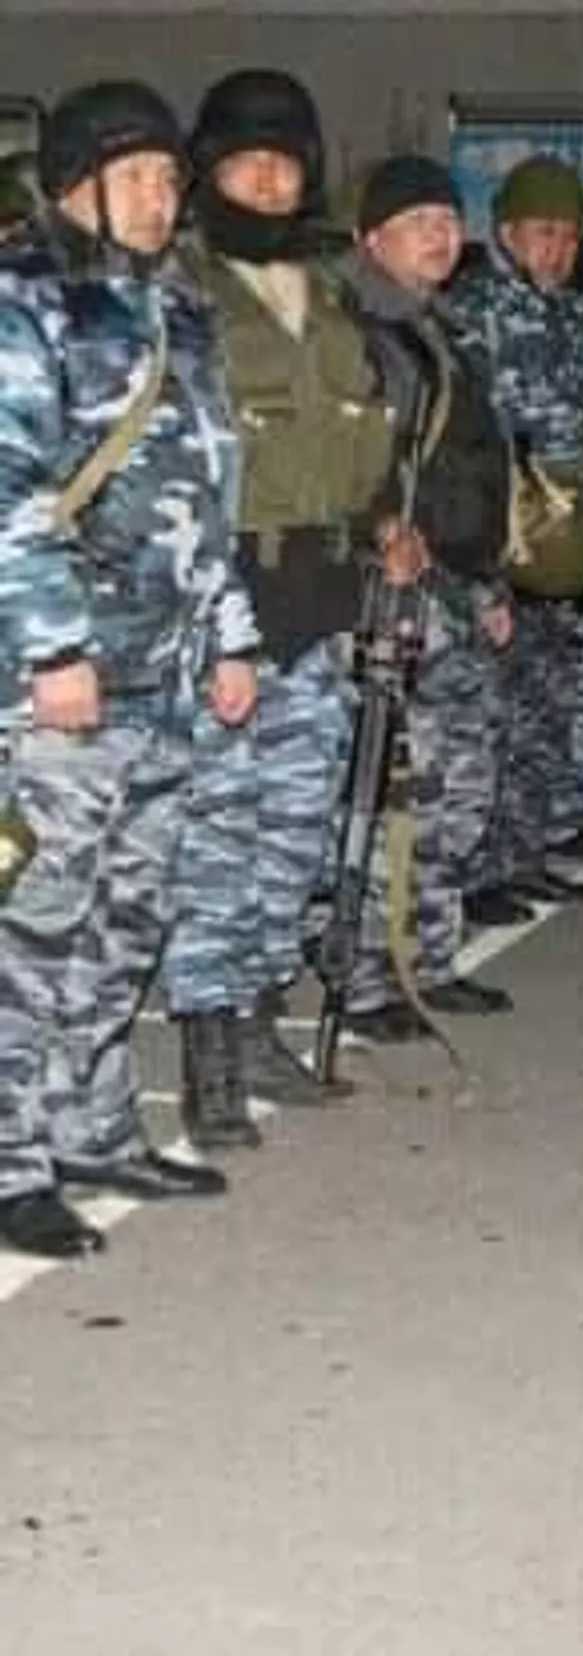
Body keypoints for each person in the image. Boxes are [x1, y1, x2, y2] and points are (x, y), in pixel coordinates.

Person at [0, 82, 255, 1252]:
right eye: (140, 175)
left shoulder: (176, 307)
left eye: (170, 177)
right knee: (33, 929)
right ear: (76, 181)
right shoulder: (26, 302)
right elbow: (8, 492)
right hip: (54, 687)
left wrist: (230, 634)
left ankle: (92, 1127)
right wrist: (54, 649)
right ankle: (10, 1159)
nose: (164, 197)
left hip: (160, 678)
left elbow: (207, 491)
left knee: (126, 918)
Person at [161, 69, 412, 1118]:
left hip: (321, 601)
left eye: (283, 164)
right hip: (225, 599)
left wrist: (386, 521)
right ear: (208, 172)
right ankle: (210, 1054)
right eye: (245, 163)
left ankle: (260, 1019)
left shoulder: (331, 296)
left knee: (295, 835)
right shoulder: (179, 291)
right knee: (217, 839)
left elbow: (359, 441)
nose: (267, 182)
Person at [339, 153, 517, 1033]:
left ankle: (430, 958)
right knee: (397, 793)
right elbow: (332, 455)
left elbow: (477, 468)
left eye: (448, 221)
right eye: (419, 223)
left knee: (458, 788)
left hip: (455, 584)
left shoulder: (444, 331)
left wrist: (490, 580)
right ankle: (371, 978)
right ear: (372, 237)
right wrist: (377, 527)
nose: (441, 237)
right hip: (394, 587)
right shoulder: (351, 330)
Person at [444, 155, 583, 907]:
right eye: (545, 232)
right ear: (507, 232)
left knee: (545, 705)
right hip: (500, 536)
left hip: (561, 537)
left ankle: (522, 852)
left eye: (571, 237)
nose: (559, 250)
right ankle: (475, 870)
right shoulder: (473, 310)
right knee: (491, 712)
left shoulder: (575, 316)